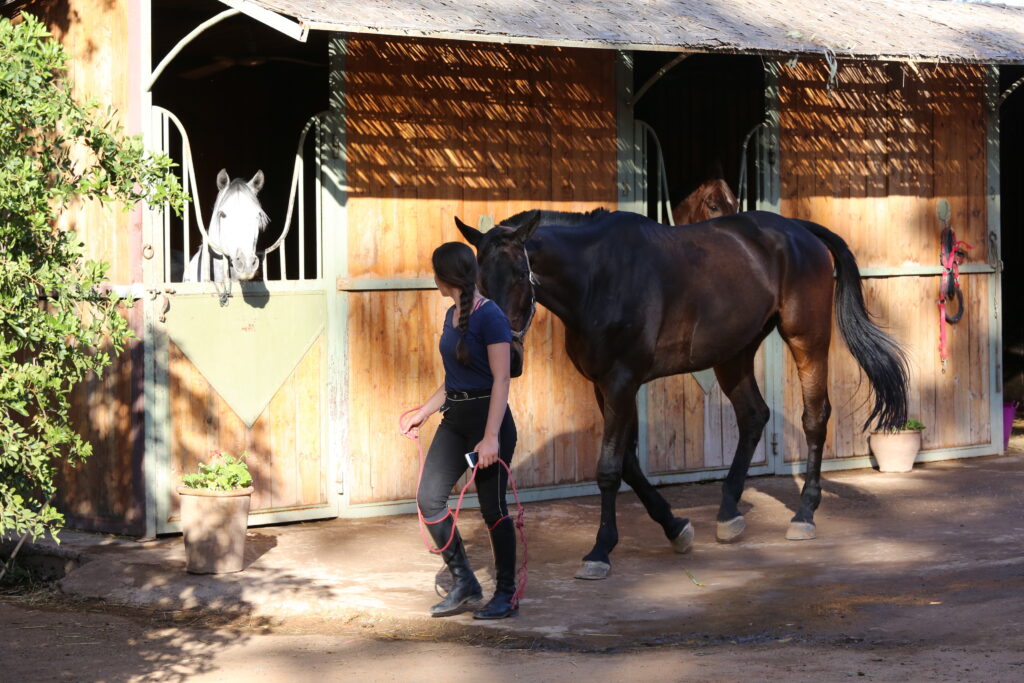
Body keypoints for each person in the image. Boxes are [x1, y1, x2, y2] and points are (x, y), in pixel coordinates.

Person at [399, 242, 519, 619]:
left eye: (434, 272)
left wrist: (492, 437)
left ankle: (506, 593)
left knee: (493, 509)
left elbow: (501, 379)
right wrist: (423, 412)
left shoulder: (491, 316)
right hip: (455, 419)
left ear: (444, 276)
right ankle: (464, 581)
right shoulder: (452, 315)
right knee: (429, 499)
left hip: (489, 421)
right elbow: (454, 380)